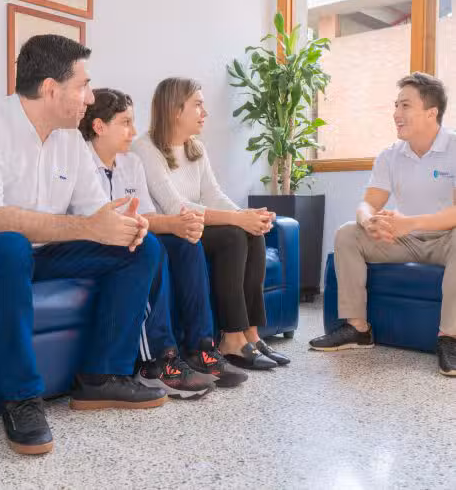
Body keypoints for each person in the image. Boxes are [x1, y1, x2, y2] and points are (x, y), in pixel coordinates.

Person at [0, 35, 168, 456]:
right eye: (83, 86)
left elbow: (95, 212)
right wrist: (90, 226)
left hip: (38, 252)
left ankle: (102, 376)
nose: (90, 97)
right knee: (9, 246)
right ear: (51, 89)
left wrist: (124, 225)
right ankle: (22, 399)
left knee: (142, 247)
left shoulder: (71, 139)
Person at [79, 88, 248, 397]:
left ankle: (201, 348)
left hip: (132, 234)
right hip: (99, 243)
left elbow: (146, 215)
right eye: (125, 123)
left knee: (186, 243)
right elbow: (101, 223)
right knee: (148, 250)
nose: (133, 131)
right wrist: (162, 224)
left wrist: (176, 225)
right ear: (99, 127)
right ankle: (158, 362)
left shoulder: (130, 163)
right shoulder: (80, 162)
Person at [132, 77, 290, 370]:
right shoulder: (144, 148)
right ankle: (231, 340)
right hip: (173, 231)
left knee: (251, 233)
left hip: (198, 225)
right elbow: (176, 207)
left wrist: (248, 217)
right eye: (198, 105)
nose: (204, 113)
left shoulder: (196, 148)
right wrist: (237, 219)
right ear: (175, 110)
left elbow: (214, 195)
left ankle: (251, 335)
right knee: (233, 235)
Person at [309, 72, 456, 377]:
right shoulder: (391, 155)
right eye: (395, 105)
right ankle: (357, 329)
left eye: (405, 105)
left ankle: (450, 338)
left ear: (432, 113)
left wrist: (409, 223)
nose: (396, 113)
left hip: (446, 238)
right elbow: (368, 203)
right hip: (403, 239)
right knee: (348, 234)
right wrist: (369, 221)